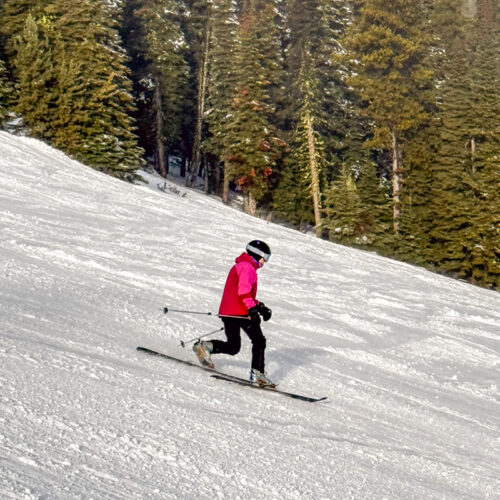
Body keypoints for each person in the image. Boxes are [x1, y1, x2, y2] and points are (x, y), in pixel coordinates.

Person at [193, 240, 275, 387]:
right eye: (264, 257)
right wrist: (252, 310)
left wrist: (261, 308)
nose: (264, 261)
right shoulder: (247, 267)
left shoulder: (241, 265)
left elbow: (244, 293)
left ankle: (205, 347)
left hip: (228, 311)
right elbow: (244, 292)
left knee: (233, 347)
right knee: (259, 341)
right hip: (240, 312)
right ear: (256, 253)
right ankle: (258, 374)